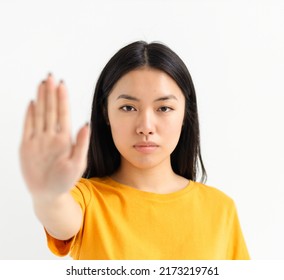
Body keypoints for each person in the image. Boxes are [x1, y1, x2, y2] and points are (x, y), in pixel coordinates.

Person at [19, 41, 250, 260]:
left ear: (185, 115)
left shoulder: (220, 210)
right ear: (105, 113)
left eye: (164, 108)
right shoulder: (87, 200)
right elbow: (59, 215)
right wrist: (47, 194)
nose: (146, 127)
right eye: (128, 107)